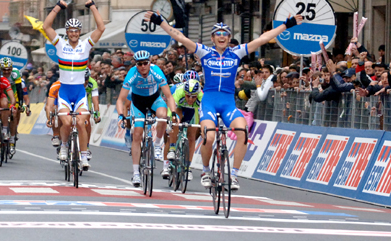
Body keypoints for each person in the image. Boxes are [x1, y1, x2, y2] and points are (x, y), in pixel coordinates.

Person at [146, 10, 302, 190]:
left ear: (229, 38)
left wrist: (287, 25)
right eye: (217, 35)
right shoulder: (204, 53)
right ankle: (205, 171)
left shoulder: (236, 52)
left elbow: (263, 39)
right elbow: (179, 36)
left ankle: (234, 175)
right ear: (212, 39)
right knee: (209, 136)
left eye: (225, 35)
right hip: (209, 102)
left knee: (243, 131)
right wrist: (160, 22)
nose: (222, 37)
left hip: (228, 103)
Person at [43, 0, 106, 171]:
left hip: (79, 92)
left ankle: (84, 156)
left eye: (76, 31)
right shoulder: (60, 45)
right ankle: (64, 146)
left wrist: (93, 6)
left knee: (81, 122)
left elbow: (101, 28)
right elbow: (46, 27)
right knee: (66, 121)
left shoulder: (86, 45)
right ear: (67, 32)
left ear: (80, 32)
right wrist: (58, 7)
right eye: (70, 31)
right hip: (64, 91)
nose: (73, 34)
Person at [116, 50, 178, 187]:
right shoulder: (132, 74)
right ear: (136, 64)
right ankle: (136, 173)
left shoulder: (156, 72)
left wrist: (173, 113)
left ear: (150, 63)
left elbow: (169, 96)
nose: (143, 66)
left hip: (154, 99)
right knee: (137, 134)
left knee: (163, 115)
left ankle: (157, 145)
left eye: (145, 63)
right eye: (139, 64)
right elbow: (120, 99)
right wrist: (121, 115)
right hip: (137, 102)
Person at [167, 79, 203, 182]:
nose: (190, 99)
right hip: (179, 107)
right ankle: (173, 148)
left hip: (192, 110)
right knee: (175, 121)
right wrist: (171, 121)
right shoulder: (179, 92)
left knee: (191, 137)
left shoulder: (201, 96)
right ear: (184, 92)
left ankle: (187, 168)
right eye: (188, 96)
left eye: (193, 96)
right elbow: (171, 110)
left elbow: (204, 114)